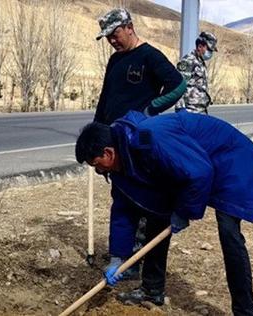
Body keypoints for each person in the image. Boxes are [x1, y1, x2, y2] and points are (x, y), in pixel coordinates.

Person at [75, 110, 253, 316]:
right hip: (194, 164)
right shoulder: (122, 163)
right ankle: (152, 290)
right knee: (156, 214)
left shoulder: (151, 138)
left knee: (229, 233)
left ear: (108, 153)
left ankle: (245, 311)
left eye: (96, 165)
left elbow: (200, 172)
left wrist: (185, 211)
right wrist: (117, 257)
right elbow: (123, 210)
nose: (98, 171)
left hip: (233, 160)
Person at [93, 8, 186, 279]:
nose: (112, 40)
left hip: (137, 141)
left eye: (115, 34)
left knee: (141, 200)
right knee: (121, 198)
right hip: (113, 140)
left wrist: (150, 111)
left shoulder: (150, 56)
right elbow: (105, 98)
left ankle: (139, 260)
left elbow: (178, 85)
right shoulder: (114, 61)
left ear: (129, 27)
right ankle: (123, 258)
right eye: (108, 37)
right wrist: (97, 132)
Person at [175, 31, 218, 114]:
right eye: (209, 50)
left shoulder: (200, 62)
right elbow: (178, 86)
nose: (210, 53)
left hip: (201, 111)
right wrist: (180, 109)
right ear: (199, 46)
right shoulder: (188, 61)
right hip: (189, 111)